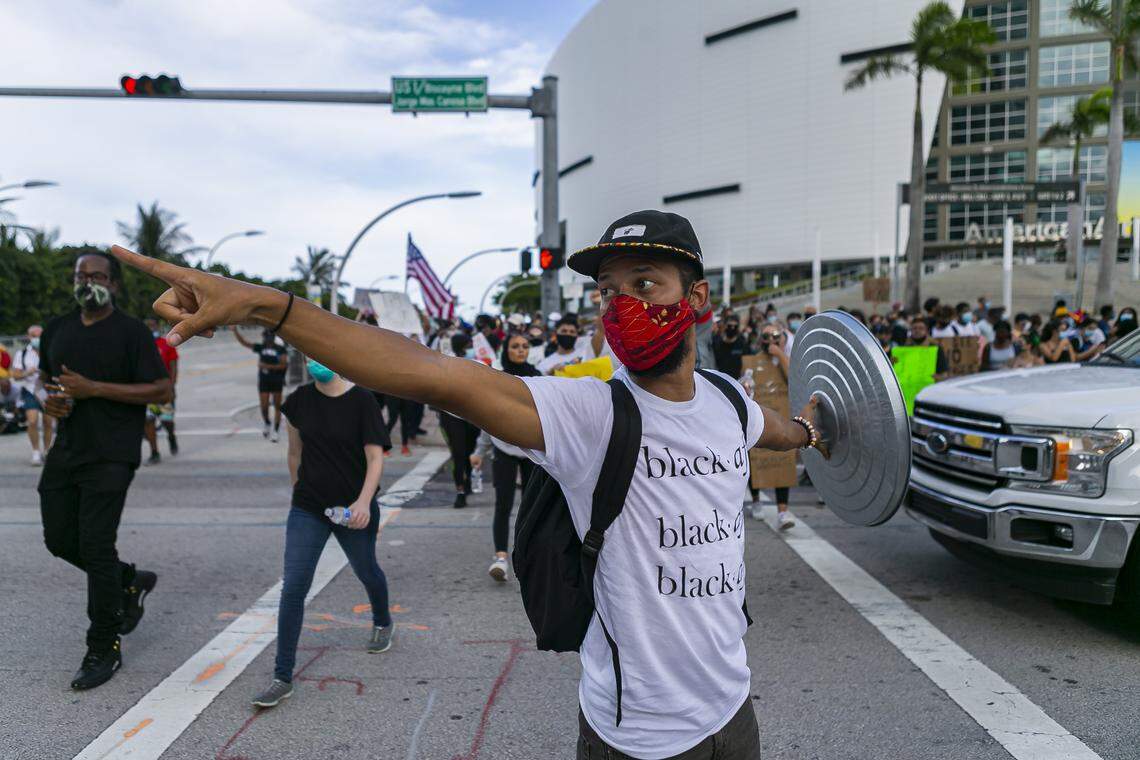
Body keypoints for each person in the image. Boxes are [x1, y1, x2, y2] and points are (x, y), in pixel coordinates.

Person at [110, 207, 825, 760]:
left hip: (735, 713)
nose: (623, 304)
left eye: (647, 285)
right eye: (609, 290)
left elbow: (779, 428)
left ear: (697, 298)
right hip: (637, 733)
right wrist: (272, 307)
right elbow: (433, 374)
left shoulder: (727, 401)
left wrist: (821, 427)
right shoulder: (587, 413)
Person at [38, 249, 171, 690]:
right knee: (58, 539)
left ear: (112, 284)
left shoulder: (131, 332)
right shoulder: (57, 329)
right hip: (67, 448)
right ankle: (128, 580)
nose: (87, 280)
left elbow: (161, 389)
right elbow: (47, 381)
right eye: (81, 274)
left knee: (96, 545)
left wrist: (95, 389)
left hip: (112, 453)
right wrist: (51, 401)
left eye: (97, 275)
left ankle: (103, 645)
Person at [251, 357, 393, 708]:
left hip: (353, 509)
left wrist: (363, 502)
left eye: (320, 355)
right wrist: (299, 490)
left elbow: (375, 459)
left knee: (366, 571)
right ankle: (282, 676)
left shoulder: (363, 401)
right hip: (309, 508)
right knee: (294, 586)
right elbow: (294, 452)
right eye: (307, 356)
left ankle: (382, 621)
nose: (314, 362)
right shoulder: (298, 401)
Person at [471, 335, 540, 581]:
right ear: (506, 350)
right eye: (515, 346)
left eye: (524, 346)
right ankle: (501, 557)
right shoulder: (498, 379)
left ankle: (529, 555)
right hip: (503, 450)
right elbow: (488, 419)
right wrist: (479, 452)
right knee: (503, 505)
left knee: (532, 507)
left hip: (533, 451)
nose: (520, 350)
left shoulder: (538, 377)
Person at [439, 332, 481, 508]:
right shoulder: (446, 364)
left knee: (469, 452)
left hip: (473, 416)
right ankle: (460, 491)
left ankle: (469, 480)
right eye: (468, 345)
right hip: (452, 416)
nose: (471, 348)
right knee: (458, 454)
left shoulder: (478, 363)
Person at [233, 326, 288, 441]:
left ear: (273, 338)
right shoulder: (261, 347)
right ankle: (267, 423)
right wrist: (235, 331)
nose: (267, 339)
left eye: (269, 337)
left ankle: (276, 431)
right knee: (264, 406)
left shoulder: (280, 349)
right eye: (265, 337)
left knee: (278, 406)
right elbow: (244, 343)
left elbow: (284, 365)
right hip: (264, 380)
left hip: (277, 380)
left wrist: (267, 366)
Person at [11, 325, 52, 465]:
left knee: (48, 422)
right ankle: (36, 451)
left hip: (46, 389)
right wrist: (27, 372)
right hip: (30, 389)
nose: (38, 339)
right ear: (29, 337)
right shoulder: (21, 354)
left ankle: (47, 450)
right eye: (34, 336)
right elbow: (15, 375)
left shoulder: (50, 351)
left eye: (40, 335)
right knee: (32, 421)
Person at [142, 318, 179, 465]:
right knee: (149, 420)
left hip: (164, 390)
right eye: (147, 326)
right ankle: (154, 452)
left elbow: (174, 366)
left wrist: (172, 386)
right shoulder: (141, 346)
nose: (150, 329)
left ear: (157, 326)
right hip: (148, 390)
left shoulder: (166, 344)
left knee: (166, 420)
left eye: (152, 325)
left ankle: (171, 436)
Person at [712, 312, 750, 379]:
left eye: (735, 326)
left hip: (738, 381)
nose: (732, 328)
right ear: (725, 326)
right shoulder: (716, 342)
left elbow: (747, 362)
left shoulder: (742, 342)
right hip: (721, 380)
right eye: (729, 326)